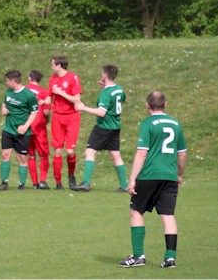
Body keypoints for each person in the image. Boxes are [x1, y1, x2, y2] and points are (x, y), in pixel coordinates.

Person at [119, 91, 186, 269]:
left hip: (149, 175)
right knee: (168, 215)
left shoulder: (148, 123)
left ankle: (138, 256)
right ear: (165, 105)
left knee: (136, 211)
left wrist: (132, 178)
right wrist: (179, 174)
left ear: (147, 105)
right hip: (170, 176)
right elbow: (182, 154)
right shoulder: (176, 124)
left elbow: (142, 152)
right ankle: (170, 258)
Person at [74, 64, 128, 192]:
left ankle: (85, 183)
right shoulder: (119, 89)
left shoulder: (105, 93)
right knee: (115, 155)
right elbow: (123, 99)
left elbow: (101, 112)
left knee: (90, 152)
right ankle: (124, 186)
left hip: (104, 127)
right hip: (115, 127)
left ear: (105, 75)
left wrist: (84, 108)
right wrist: (106, 89)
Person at [0, 70, 38, 191]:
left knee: (22, 158)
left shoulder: (29, 95)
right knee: (5, 154)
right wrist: (3, 108)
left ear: (13, 81)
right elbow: (5, 103)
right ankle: (4, 183)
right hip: (8, 129)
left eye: (7, 81)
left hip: (22, 132)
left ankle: (22, 184)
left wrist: (25, 126)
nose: (6, 83)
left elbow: (34, 113)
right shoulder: (9, 92)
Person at [48, 55, 82, 190]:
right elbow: (49, 98)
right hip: (57, 116)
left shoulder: (73, 78)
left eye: (52, 64)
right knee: (57, 150)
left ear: (59, 65)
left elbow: (76, 100)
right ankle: (58, 182)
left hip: (72, 117)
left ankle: (71, 174)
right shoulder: (52, 80)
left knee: (69, 151)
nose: (51, 67)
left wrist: (61, 93)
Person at [25, 70, 52, 190]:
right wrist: (47, 120)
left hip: (26, 126)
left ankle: (34, 183)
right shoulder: (44, 92)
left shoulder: (23, 91)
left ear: (30, 78)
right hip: (39, 126)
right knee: (44, 155)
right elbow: (46, 111)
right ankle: (42, 181)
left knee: (30, 155)